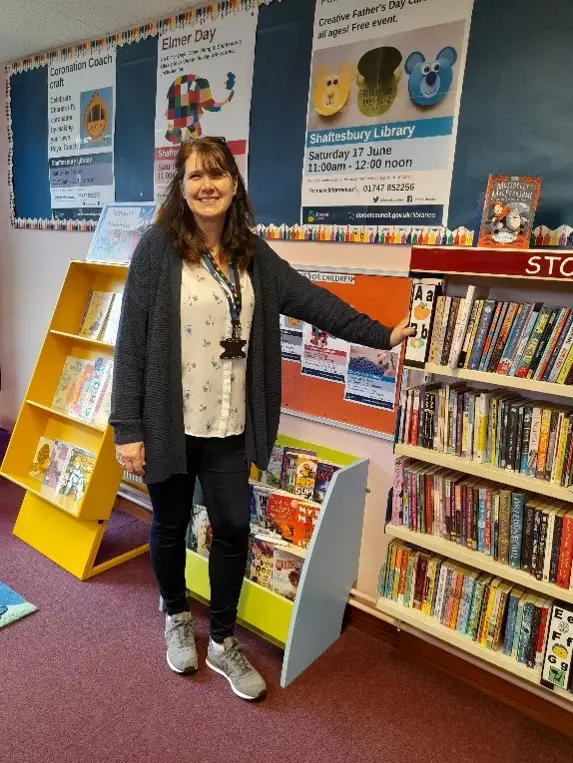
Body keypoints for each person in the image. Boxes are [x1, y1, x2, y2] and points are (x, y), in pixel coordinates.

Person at [110, 136, 414, 702]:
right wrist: (127, 428)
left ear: (233, 184)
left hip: (230, 422)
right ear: (181, 187)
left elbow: (309, 298)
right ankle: (176, 614)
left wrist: (381, 335)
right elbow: (130, 343)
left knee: (231, 528)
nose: (208, 186)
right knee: (170, 524)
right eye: (196, 176)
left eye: (218, 175)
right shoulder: (157, 250)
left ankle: (222, 639)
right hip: (169, 424)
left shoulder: (251, 251)